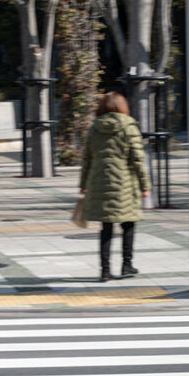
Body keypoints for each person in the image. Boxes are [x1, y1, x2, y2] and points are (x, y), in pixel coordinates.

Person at [79, 92, 152, 282]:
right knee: (128, 223)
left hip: (99, 183)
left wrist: (83, 184)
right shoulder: (129, 126)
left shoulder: (95, 128)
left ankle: (105, 271)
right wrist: (145, 185)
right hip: (125, 183)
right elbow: (137, 159)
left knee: (106, 227)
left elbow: (87, 159)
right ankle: (127, 265)